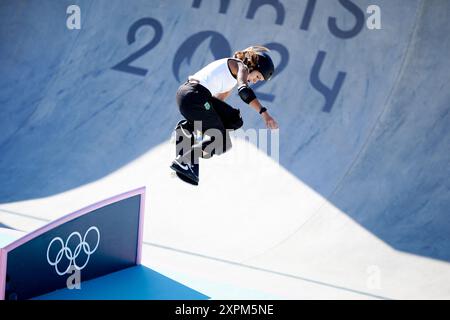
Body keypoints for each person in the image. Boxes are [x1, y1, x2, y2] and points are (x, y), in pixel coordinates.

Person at [170, 46, 279, 184]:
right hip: (194, 96)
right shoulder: (241, 67)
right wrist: (265, 114)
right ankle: (185, 160)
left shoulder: (230, 79)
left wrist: (206, 129)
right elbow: (244, 91)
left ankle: (186, 131)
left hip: (191, 96)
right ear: (254, 66)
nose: (255, 81)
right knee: (221, 141)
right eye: (257, 76)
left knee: (234, 120)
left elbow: (216, 105)